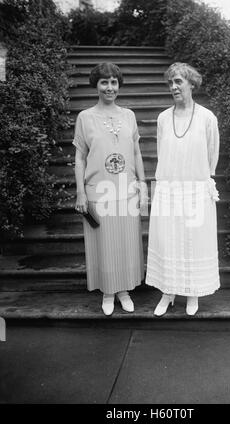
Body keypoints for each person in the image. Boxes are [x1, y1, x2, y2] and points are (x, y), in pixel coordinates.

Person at [73, 62, 148, 316]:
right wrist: (81, 192)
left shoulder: (128, 115)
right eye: (104, 82)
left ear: (119, 85)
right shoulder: (85, 117)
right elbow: (80, 157)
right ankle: (107, 292)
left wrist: (142, 184)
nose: (109, 87)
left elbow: (136, 152)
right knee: (103, 243)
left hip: (126, 190)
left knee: (126, 242)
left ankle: (124, 290)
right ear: (96, 85)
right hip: (98, 191)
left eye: (114, 82)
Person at [146, 62, 220, 316]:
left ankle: (192, 293)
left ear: (191, 84)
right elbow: (162, 153)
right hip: (169, 188)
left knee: (194, 241)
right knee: (169, 241)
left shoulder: (207, 117)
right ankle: (168, 293)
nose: (174, 86)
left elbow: (212, 153)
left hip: (196, 189)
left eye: (178, 81)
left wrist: (204, 181)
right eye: (170, 83)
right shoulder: (163, 118)